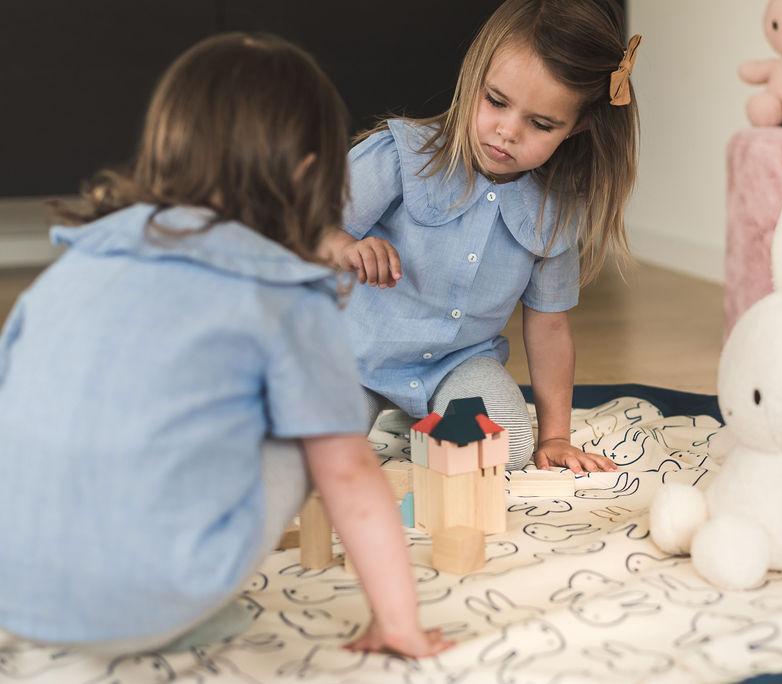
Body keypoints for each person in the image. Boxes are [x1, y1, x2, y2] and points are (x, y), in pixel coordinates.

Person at [0, 33, 449, 658]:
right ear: (308, 174)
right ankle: (180, 611)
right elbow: (346, 470)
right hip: (145, 607)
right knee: (315, 430)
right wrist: (399, 625)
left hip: (14, 594)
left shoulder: (78, 260)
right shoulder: (286, 289)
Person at [319, 0, 642, 474]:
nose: (507, 132)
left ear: (578, 127)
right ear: (474, 79)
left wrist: (555, 436)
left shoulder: (555, 214)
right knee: (316, 443)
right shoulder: (402, 156)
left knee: (503, 447)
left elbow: (549, 325)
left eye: (541, 124)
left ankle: (434, 438)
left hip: (457, 364)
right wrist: (345, 246)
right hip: (355, 353)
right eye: (496, 101)